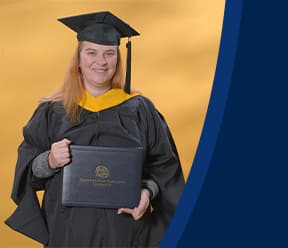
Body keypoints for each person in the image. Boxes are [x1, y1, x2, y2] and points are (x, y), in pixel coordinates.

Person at [5, 11, 185, 247]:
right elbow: (28, 175)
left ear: (118, 60)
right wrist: (49, 160)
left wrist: (147, 192)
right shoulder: (52, 112)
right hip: (68, 233)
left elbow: (165, 169)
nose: (101, 61)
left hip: (127, 233)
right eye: (91, 52)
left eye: (109, 53)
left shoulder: (141, 110)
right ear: (78, 59)